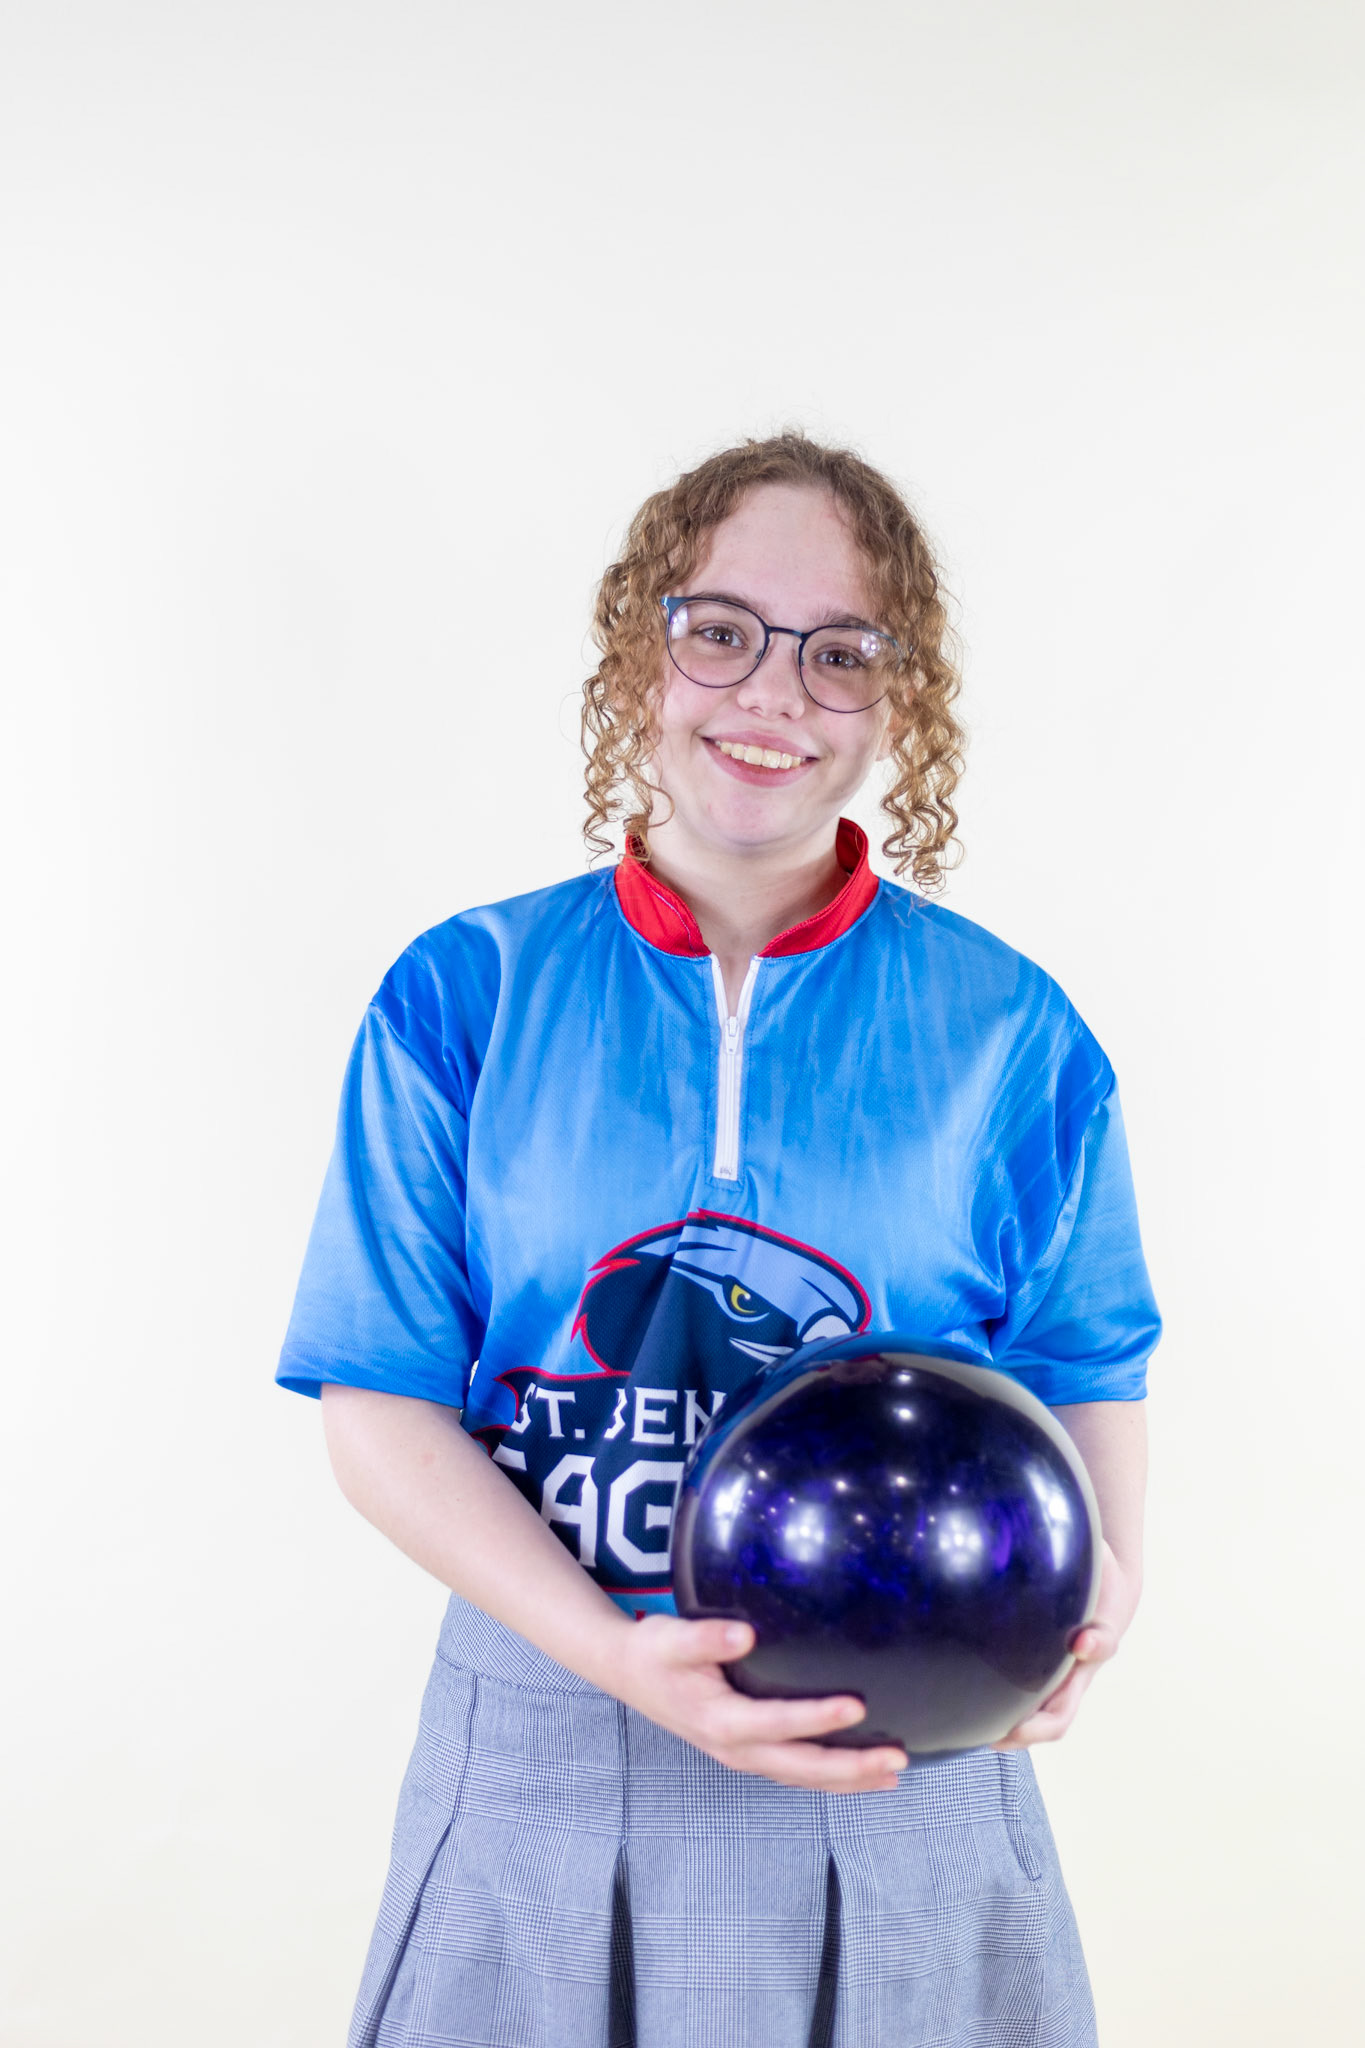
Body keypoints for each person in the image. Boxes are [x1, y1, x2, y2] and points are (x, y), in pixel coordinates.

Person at [277, 432, 1160, 2048]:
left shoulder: (1008, 1028)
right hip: (544, 1746)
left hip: (903, 1761)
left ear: (900, 699)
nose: (773, 696)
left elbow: (1083, 1362)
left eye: (841, 655)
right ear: (644, 645)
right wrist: (621, 1662)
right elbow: (379, 1400)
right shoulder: (462, 993)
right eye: (723, 630)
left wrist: (1097, 1587)